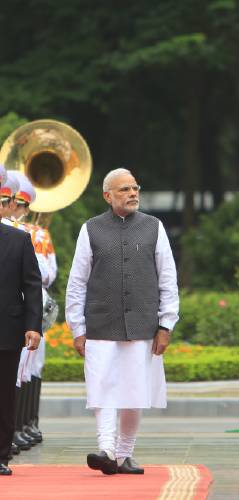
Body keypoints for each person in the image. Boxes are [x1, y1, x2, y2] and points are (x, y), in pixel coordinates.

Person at [66, 168, 179, 475]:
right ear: (108, 195)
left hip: (142, 324)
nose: (132, 194)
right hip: (100, 324)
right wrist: (77, 328)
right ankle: (105, 448)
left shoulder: (154, 227)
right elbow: (77, 282)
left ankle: (124, 454)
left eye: (135, 188)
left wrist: (166, 325)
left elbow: (168, 278)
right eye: (124, 189)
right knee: (102, 387)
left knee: (135, 390)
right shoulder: (91, 229)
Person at [0, 165, 43, 476]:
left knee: (4, 393)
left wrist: (33, 325)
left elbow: (32, 285)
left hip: (7, 328)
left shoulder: (19, 239)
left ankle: (0, 453)